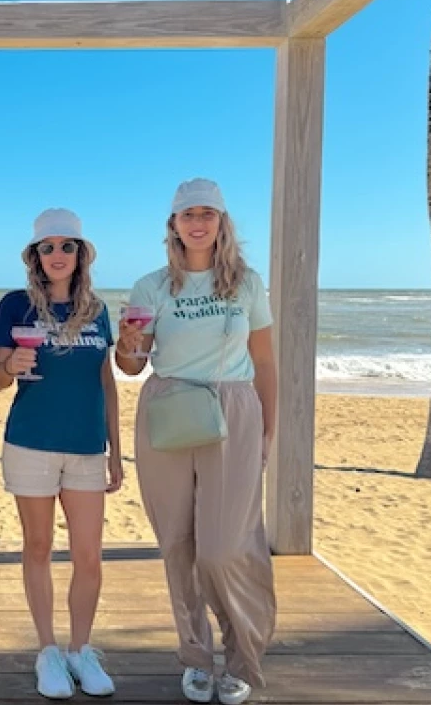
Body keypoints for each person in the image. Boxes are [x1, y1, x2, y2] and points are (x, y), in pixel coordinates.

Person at [116, 178, 277, 705]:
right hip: (169, 407)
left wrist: (269, 429)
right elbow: (132, 366)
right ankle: (194, 657)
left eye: (208, 213)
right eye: (188, 214)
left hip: (233, 408)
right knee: (178, 545)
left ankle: (242, 657)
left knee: (226, 547)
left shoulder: (247, 284)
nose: (198, 222)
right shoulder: (152, 286)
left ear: (222, 222)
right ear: (174, 225)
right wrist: (129, 346)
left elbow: (265, 362)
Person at [0, 208, 123, 700]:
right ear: (35, 256)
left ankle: (80, 649)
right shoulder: (14, 306)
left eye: (67, 246)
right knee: (39, 547)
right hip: (31, 442)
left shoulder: (98, 311)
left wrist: (116, 450)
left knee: (89, 555)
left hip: (87, 446)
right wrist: (12, 364)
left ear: (81, 255)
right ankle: (47, 650)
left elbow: (106, 380)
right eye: (48, 247)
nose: (58, 255)